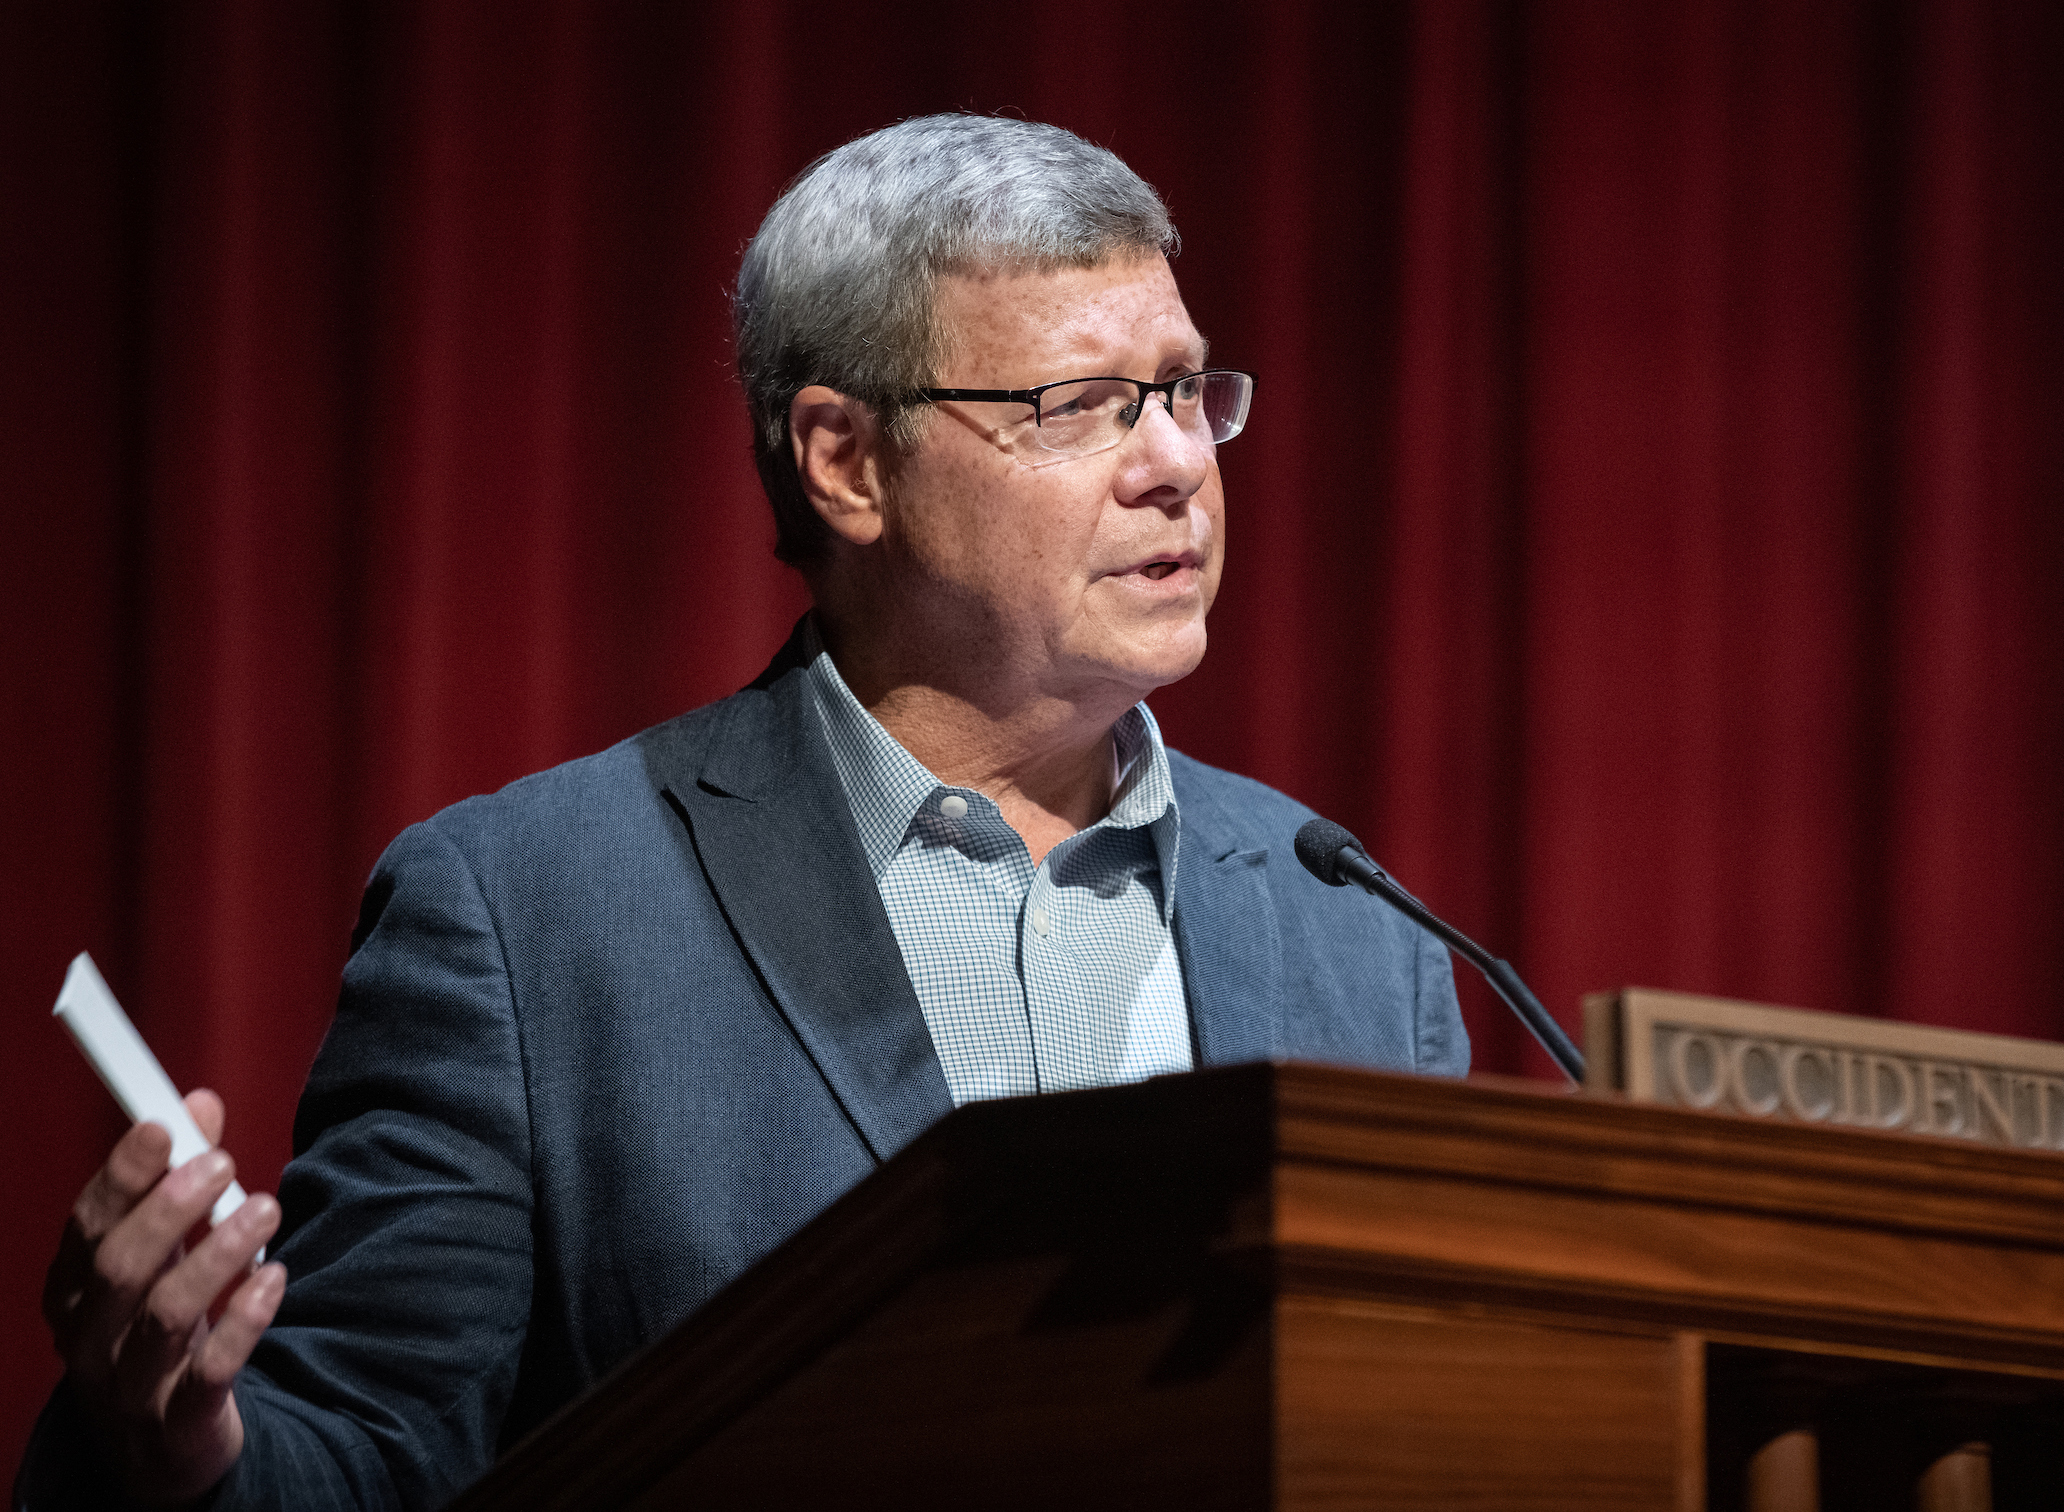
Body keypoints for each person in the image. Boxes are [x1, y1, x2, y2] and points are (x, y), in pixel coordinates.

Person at [21, 115, 1468, 1510]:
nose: (1176, 465)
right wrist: (177, 1443)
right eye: (1081, 407)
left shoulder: (1348, 927)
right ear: (845, 461)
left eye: (1184, 391)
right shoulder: (529, 916)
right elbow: (366, 1454)